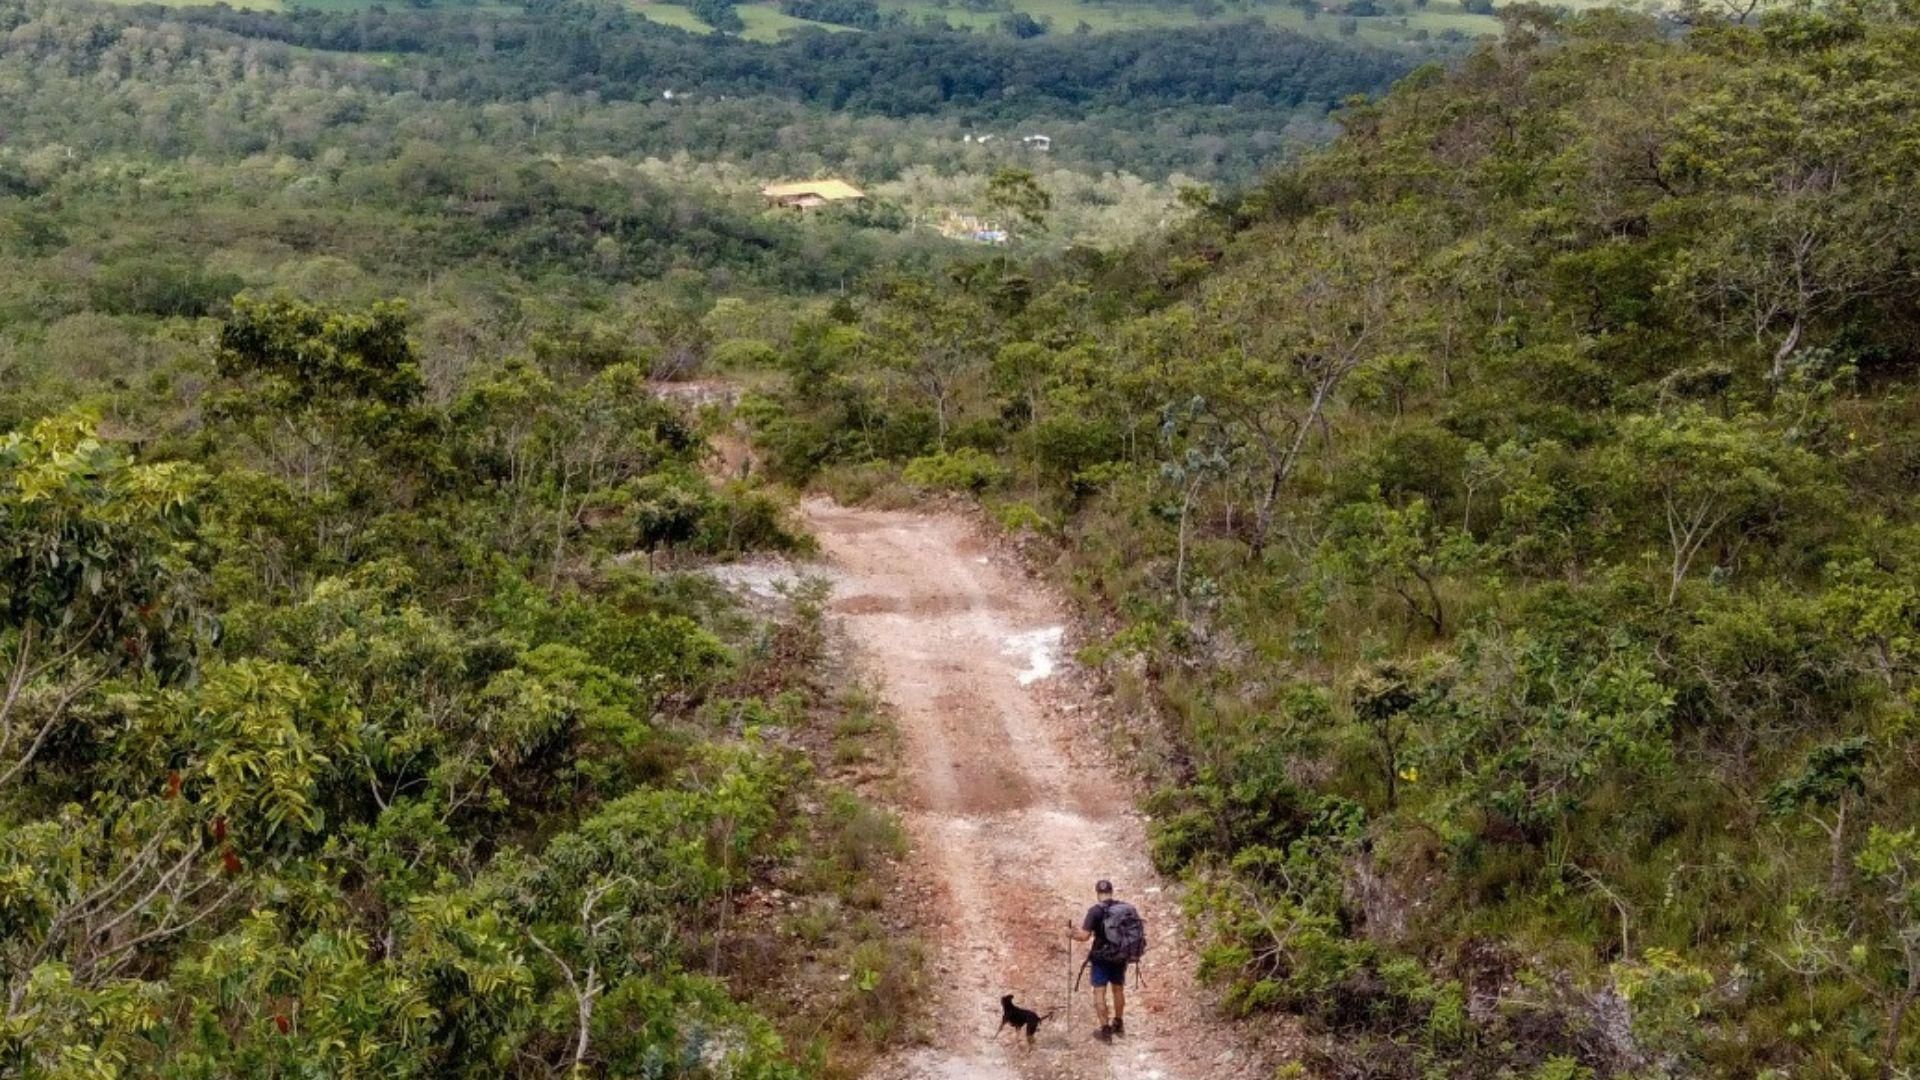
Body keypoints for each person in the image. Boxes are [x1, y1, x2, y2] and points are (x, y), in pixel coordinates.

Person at [1066, 878, 1128, 1042]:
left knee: (1099, 992)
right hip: (1119, 956)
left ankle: (1105, 1029)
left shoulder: (1095, 911)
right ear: (1111, 892)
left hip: (1100, 957)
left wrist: (1071, 934)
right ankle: (1119, 1022)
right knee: (1118, 989)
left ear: (1097, 893)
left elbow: (1085, 936)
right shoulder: (1122, 909)